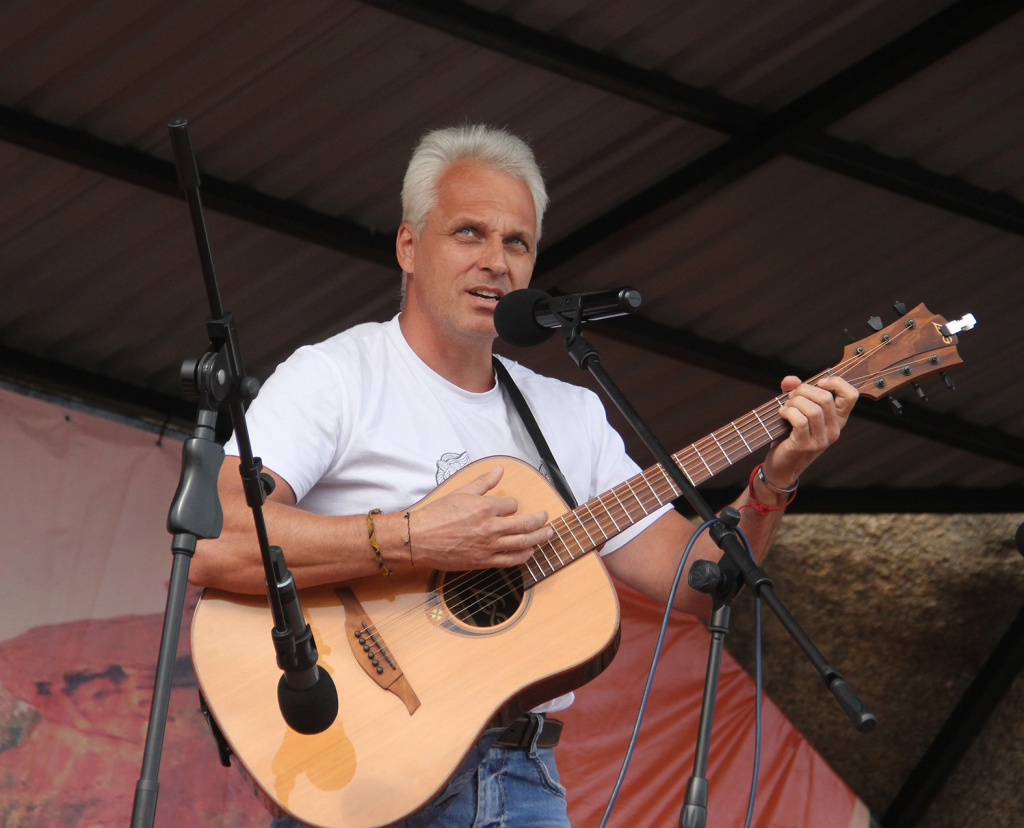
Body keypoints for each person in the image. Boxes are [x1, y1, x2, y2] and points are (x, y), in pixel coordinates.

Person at [189, 124, 858, 827]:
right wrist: (413, 537)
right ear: (408, 246)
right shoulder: (335, 377)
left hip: (523, 778)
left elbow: (694, 581)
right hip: (370, 761)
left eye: (517, 243)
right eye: (469, 233)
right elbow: (215, 536)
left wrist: (774, 482)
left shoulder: (568, 412)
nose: (496, 262)